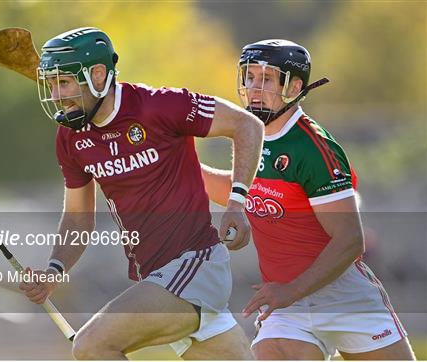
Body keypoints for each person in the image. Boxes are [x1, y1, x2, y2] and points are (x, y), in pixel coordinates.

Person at [18, 27, 264, 360]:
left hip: (196, 266)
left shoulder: (160, 106)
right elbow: (78, 217)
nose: (58, 95)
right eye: (52, 84)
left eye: (65, 82)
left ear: (98, 74)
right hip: (159, 280)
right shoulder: (70, 139)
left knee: (92, 345)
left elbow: (247, 125)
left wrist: (236, 202)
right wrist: (53, 271)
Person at [201, 39, 416, 360]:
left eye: (267, 79)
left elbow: (350, 241)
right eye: (250, 77)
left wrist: (291, 291)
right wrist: (180, 165)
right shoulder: (250, 136)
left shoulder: (312, 148)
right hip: (287, 304)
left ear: (294, 85)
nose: (255, 88)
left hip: (342, 295)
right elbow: (241, 191)